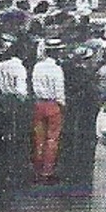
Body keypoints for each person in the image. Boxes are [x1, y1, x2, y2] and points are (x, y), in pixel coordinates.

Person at [30, 41, 67, 183]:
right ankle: (47, 170)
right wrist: (62, 105)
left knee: (38, 137)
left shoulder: (37, 67)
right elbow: (59, 90)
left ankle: (37, 169)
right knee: (52, 139)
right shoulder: (57, 69)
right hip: (53, 104)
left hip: (39, 103)